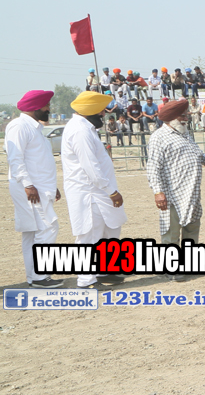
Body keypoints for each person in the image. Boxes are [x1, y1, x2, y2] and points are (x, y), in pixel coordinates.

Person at [62, 91, 128, 288]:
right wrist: (111, 191)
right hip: (89, 192)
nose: (103, 114)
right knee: (89, 235)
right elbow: (90, 166)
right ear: (89, 110)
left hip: (100, 190)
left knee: (110, 229)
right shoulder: (80, 131)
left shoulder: (86, 128)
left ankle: (103, 272)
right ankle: (86, 280)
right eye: (100, 111)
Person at [146, 98, 205, 279]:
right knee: (171, 232)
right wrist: (158, 192)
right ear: (171, 117)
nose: (186, 119)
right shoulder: (159, 137)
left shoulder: (185, 134)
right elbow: (153, 167)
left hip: (192, 193)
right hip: (172, 194)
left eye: (186, 115)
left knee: (191, 230)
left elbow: (199, 157)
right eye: (182, 116)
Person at [6, 90, 62, 287]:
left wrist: (53, 186)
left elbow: (39, 161)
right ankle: (40, 276)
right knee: (48, 227)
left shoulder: (34, 127)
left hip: (40, 187)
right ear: (35, 107)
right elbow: (15, 158)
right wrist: (28, 185)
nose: (48, 109)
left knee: (32, 232)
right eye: (46, 106)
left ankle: (34, 277)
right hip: (30, 188)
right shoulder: (19, 126)